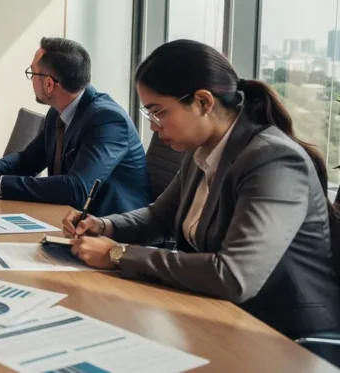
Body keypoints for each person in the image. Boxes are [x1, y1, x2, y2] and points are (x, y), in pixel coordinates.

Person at [64, 39, 340, 339]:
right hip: (220, 316)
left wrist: (120, 254)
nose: (154, 127)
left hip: (286, 338)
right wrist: (104, 227)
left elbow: (235, 275)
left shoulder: (273, 160)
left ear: (203, 102)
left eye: (158, 112)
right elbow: (159, 218)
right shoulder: (202, 152)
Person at [0, 37, 150, 216]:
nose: (31, 81)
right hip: (69, 219)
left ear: (49, 84)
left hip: (112, 233)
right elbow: (28, 161)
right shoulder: (58, 110)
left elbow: (77, 189)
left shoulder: (107, 120)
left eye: (32, 73)